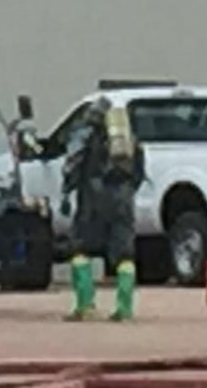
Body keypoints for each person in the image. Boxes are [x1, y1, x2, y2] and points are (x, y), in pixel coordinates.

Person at [62, 98, 145, 321]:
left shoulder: (86, 136)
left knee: (81, 249)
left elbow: (73, 163)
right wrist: (128, 191)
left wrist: (67, 190)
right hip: (123, 199)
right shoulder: (128, 139)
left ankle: (85, 305)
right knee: (124, 253)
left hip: (92, 198)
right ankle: (125, 308)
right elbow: (139, 171)